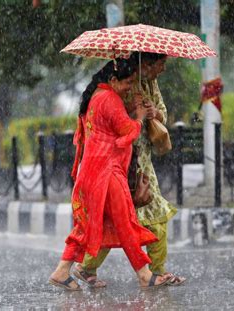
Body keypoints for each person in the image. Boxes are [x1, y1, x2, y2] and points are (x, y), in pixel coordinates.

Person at [49, 58, 171, 291]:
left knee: (89, 225)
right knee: (125, 222)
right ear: (113, 80)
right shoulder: (110, 100)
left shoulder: (95, 97)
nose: (129, 88)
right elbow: (128, 134)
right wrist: (138, 116)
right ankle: (145, 274)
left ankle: (62, 270)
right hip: (107, 171)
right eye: (127, 83)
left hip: (92, 172)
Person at [75, 52, 186, 288]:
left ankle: (86, 266)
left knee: (120, 219)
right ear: (146, 64)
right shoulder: (121, 85)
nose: (163, 69)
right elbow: (117, 124)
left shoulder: (150, 83)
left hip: (142, 158)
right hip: (125, 161)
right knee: (132, 217)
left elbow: (162, 113)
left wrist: (154, 113)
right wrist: (136, 114)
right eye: (160, 64)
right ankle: (153, 272)